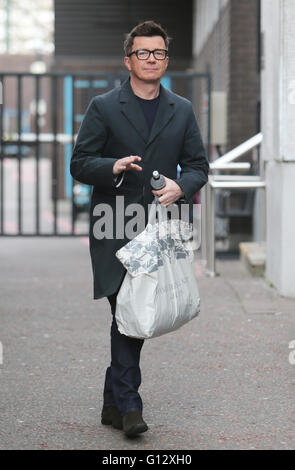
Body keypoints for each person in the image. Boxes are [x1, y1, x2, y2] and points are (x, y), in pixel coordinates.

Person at [70, 20, 209, 438]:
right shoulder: (105, 106)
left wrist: (179, 186)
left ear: (167, 59)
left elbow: (199, 166)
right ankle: (131, 406)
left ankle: (113, 403)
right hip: (114, 225)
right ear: (127, 59)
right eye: (143, 53)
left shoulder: (181, 109)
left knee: (129, 313)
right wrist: (110, 166)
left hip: (158, 230)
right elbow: (79, 163)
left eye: (159, 53)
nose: (152, 59)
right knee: (126, 310)